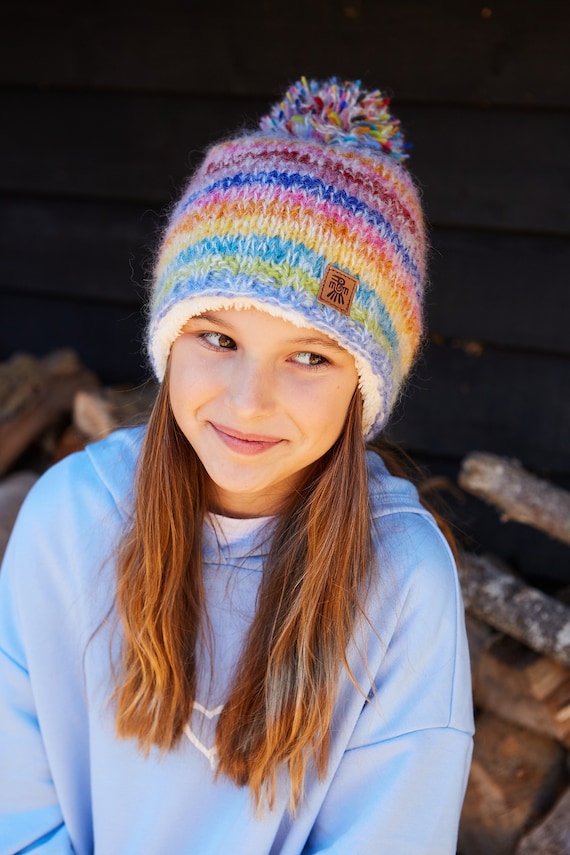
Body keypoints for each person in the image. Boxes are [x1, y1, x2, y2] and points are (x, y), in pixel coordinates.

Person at [0, 77, 474, 854]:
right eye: (218, 339)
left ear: (365, 387)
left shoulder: (401, 580)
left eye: (310, 356)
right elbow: (17, 816)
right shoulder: (70, 518)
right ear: (170, 342)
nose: (248, 401)